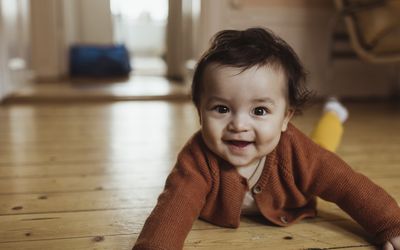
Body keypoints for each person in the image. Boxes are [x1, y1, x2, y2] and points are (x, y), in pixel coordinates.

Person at [133, 27, 400, 250]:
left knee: (323, 150)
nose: (238, 125)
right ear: (200, 113)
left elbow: (347, 185)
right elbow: (174, 208)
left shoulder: (298, 153)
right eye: (221, 109)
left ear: (286, 118)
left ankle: (334, 114)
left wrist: (390, 224)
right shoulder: (197, 159)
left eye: (259, 111)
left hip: (301, 163)